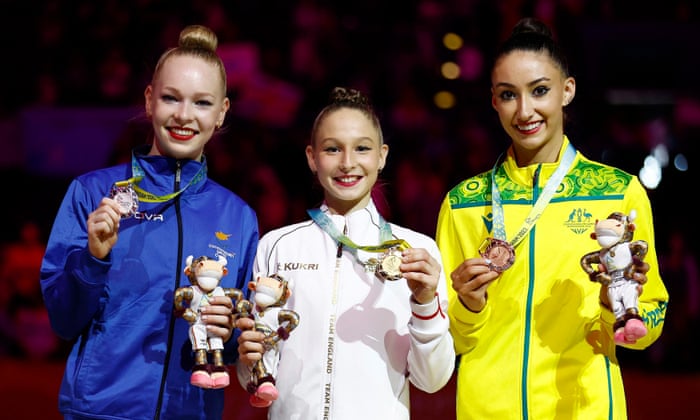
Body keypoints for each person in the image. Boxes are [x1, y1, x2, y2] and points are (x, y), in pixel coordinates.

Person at [435, 17, 668, 420]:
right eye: (509, 95)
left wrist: (618, 310)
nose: (525, 111)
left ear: (567, 91)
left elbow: (652, 316)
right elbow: (444, 341)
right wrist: (469, 307)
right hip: (486, 411)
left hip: (585, 409)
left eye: (539, 91)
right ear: (494, 101)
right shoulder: (463, 204)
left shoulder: (618, 192)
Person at [39, 24, 259, 420]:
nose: (184, 116)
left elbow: (235, 347)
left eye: (202, 103)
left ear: (222, 111)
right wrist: (93, 258)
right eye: (171, 98)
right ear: (149, 101)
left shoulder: (237, 217)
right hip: (101, 412)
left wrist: (230, 335)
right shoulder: (93, 194)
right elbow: (63, 320)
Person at [235, 86, 455, 419]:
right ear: (312, 157)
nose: (347, 163)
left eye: (362, 148)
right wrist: (249, 359)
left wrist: (425, 302)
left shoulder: (417, 251)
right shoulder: (277, 246)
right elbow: (256, 376)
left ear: (382, 156)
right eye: (333, 149)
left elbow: (432, 379)